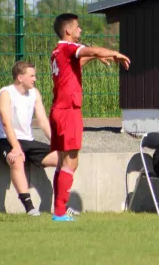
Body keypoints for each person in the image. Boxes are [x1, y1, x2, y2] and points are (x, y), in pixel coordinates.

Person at [50, 13, 131, 221]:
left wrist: (96, 57)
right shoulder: (68, 48)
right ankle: (60, 212)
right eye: (77, 27)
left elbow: (78, 63)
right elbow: (91, 49)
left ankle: (58, 209)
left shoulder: (58, 52)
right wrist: (114, 53)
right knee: (71, 162)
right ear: (67, 30)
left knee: (62, 162)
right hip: (69, 111)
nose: (80, 30)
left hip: (58, 110)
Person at [0, 60, 74, 217]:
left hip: (27, 141)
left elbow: (43, 121)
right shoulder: (6, 93)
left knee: (65, 159)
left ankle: (61, 203)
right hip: (5, 140)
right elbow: (5, 123)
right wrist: (15, 147)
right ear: (20, 77)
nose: (35, 79)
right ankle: (29, 207)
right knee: (16, 160)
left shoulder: (34, 93)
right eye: (32, 76)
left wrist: (57, 143)